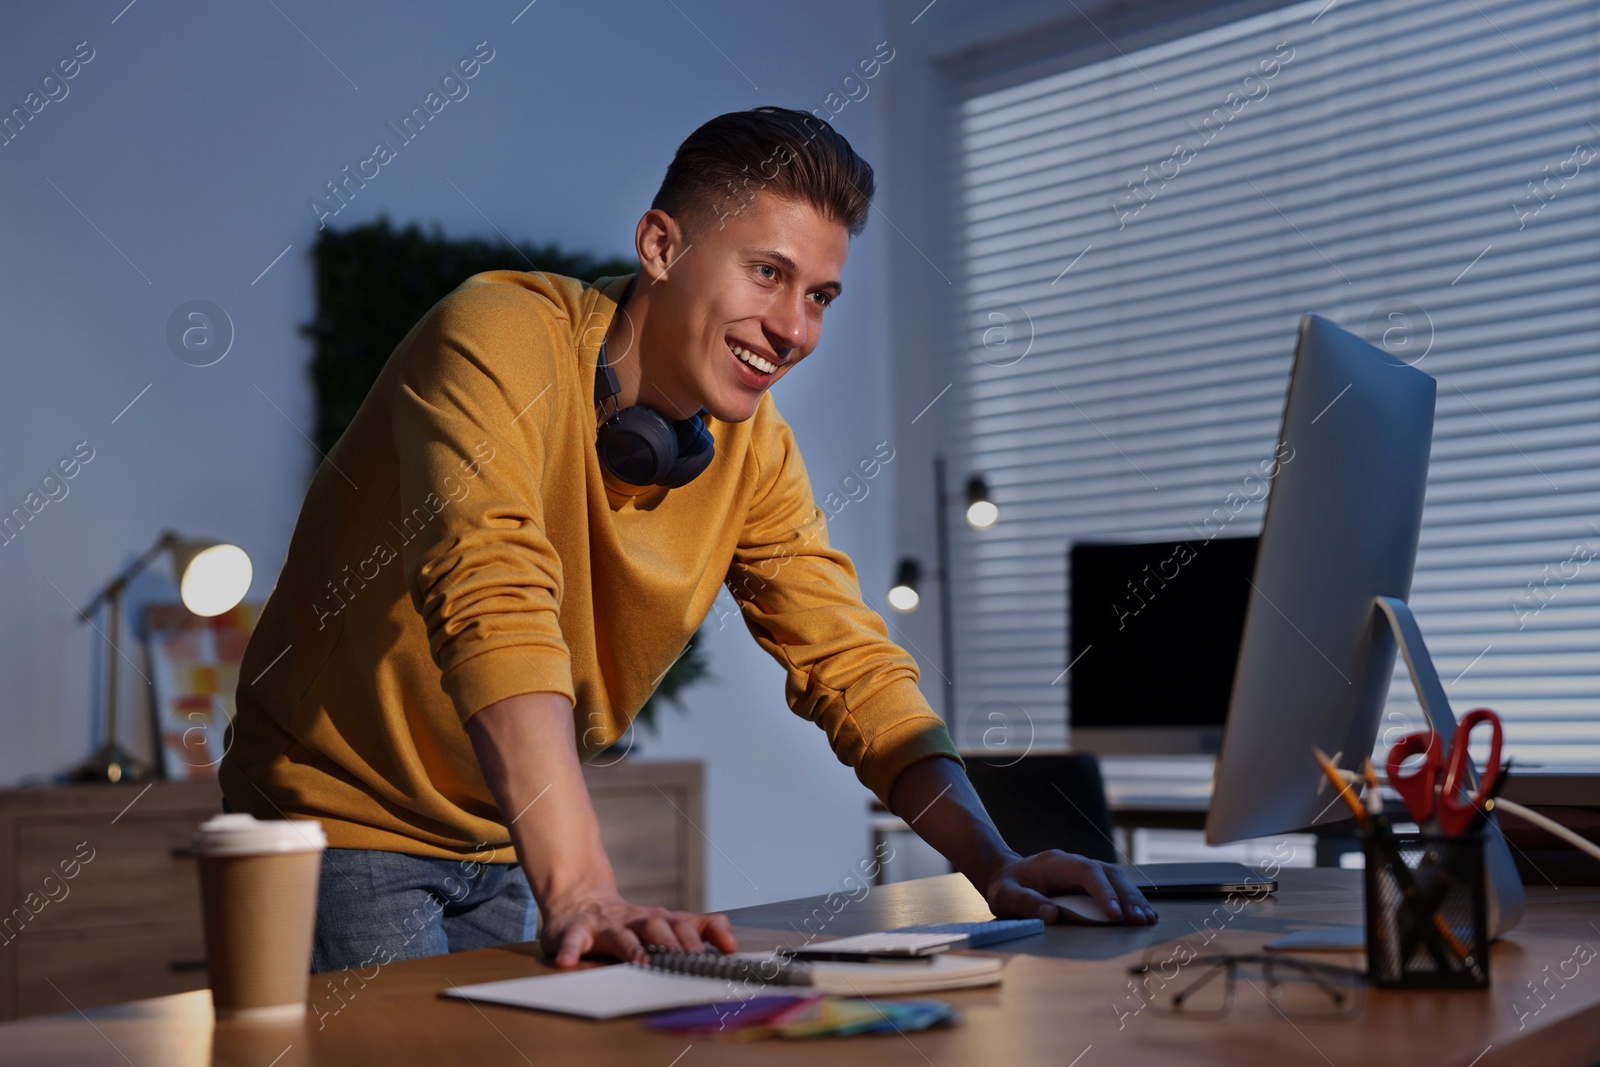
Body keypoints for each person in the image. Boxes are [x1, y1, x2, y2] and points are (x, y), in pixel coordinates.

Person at [220, 105, 1154, 975]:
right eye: (768, 273)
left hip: (498, 834)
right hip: (335, 821)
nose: (794, 328)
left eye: (821, 294)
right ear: (661, 246)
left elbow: (847, 658)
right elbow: (490, 589)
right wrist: (583, 883)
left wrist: (992, 865)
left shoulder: (754, 446)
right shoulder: (495, 334)